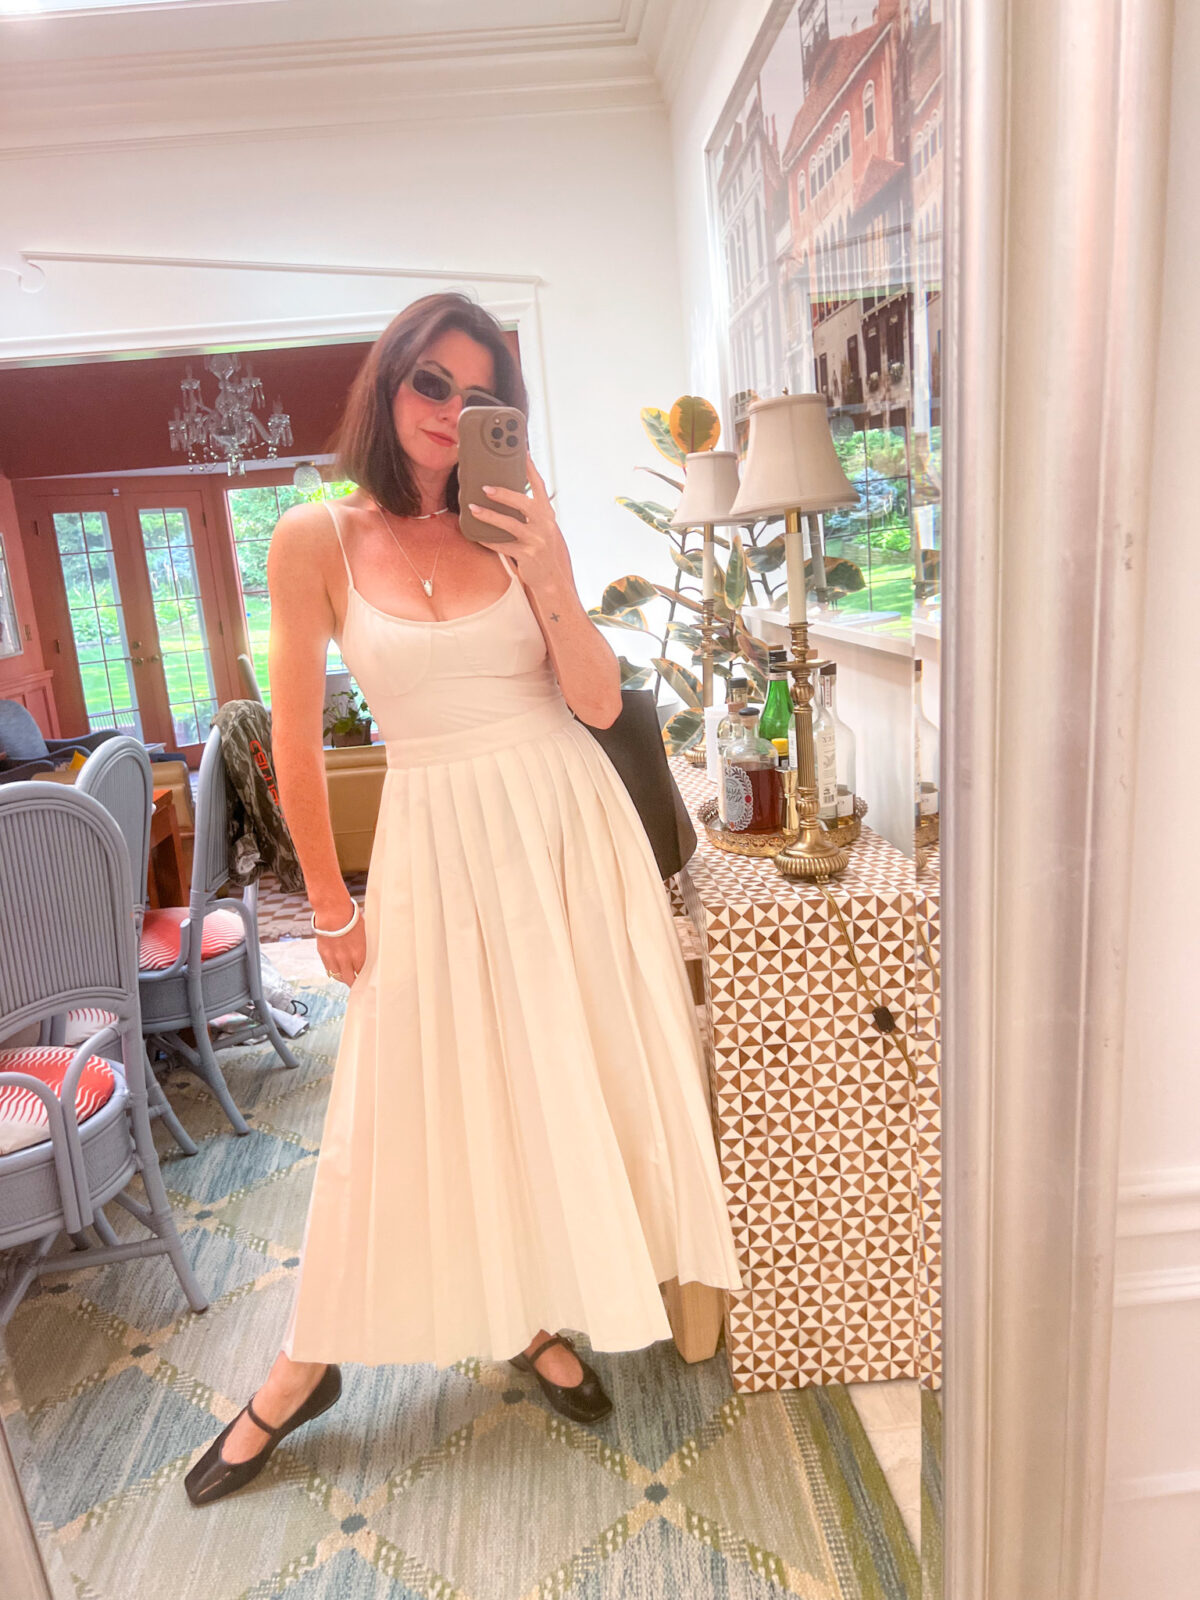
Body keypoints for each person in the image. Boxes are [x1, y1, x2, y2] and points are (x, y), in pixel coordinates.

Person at [185, 292, 743, 1507]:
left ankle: (531, 1312)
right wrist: (329, 902)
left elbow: (597, 700)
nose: (449, 410)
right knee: (403, 1099)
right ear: (389, 390)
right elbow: (287, 740)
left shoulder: (518, 522)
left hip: (563, 830)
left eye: (478, 394)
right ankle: (303, 1362)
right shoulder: (315, 539)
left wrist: (545, 562)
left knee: (548, 1073)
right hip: (432, 838)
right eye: (428, 383)